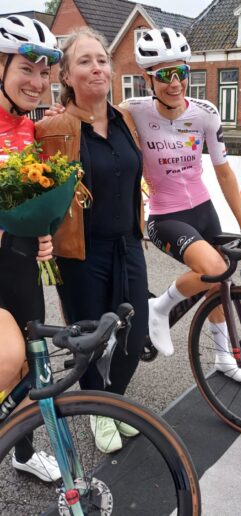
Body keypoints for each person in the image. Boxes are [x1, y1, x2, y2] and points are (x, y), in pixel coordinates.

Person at [121, 28, 241, 383]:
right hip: (164, 215)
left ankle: (223, 357)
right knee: (216, 267)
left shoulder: (205, 112)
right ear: (149, 79)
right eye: (164, 76)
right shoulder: (133, 111)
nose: (174, 83)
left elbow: (223, 172)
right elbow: (92, 116)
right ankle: (158, 308)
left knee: (216, 283)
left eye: (181, 73)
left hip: (204, 210)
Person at [36, 27, 148, 453]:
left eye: (101, 60)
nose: (96, 67)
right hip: (80, 253)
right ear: (66, 75)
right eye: (84, 61)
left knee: (134, 334)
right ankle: (97, 411)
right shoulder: (53, 129)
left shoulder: (126, 121)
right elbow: (37, 191)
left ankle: (112, 401)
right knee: (88, 338)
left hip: (128, 243)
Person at [0, 15, 61, 482]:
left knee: (30, 359)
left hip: (18, 262)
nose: (38, 82)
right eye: (27, 68)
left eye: (44, 72)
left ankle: (21, 450)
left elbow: (23, 195)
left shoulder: (27, 126)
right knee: (6, 358)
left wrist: (40, 229)